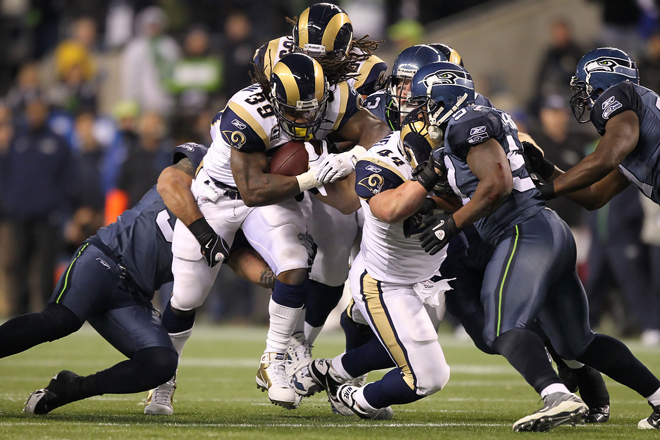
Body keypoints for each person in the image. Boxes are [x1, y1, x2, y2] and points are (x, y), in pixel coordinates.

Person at [409, 61, 660, 431]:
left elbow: (496, 186)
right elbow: (592, 196)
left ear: (444, 98)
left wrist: (451, 227)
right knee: (578, 343)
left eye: (425, 103)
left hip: (524, 231)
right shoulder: (472, 124)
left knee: (501, 327)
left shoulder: (467, 125)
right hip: (545, 231)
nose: (421, 112)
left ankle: (556, 396)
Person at [145, 51, 389, 413]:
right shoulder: (247, 111)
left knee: (294, 262)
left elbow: (377, 130)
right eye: (295, 112)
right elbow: (251, 190)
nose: (305, 119)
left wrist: (350, 158)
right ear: (275, 100)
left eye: (312, 110)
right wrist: (309, 177)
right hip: (221, 199)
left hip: (274, 197)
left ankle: (272, 358)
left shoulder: (334, 100)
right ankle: (161, 381)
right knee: (186, 296)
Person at [0, 142, 207, 415]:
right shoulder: (186, 173)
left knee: (161, 363)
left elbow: (242, 255)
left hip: (133, 295)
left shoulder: (229, 214)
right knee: (59, 320)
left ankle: (70, 388)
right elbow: (174, 173)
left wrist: (275, 278)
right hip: (104, 259)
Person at [531, 47, 660, 211]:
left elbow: (606, 157)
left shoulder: (621, 95)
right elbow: (595, 196)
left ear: (600, 86)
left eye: (584, 88)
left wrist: (541, 192)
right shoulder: (634, 132)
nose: (583, 100)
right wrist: (546, 169)